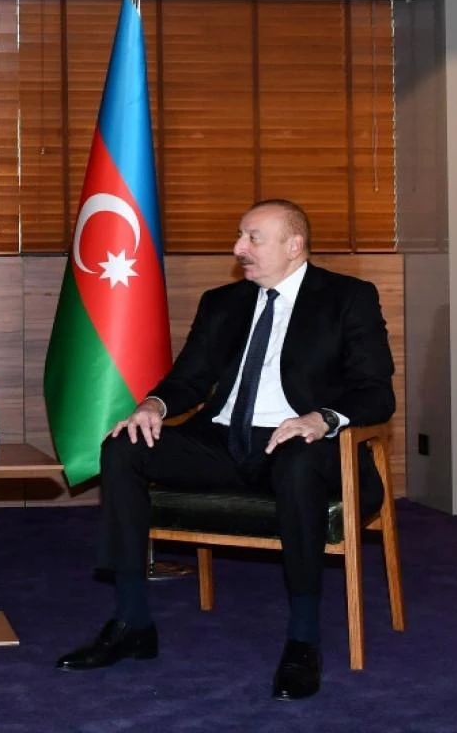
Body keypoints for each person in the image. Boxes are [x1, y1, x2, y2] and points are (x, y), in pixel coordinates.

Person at [55, 199, 394, 701]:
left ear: (294, 245)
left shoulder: (347, 298)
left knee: (297, 462)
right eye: (240, 236)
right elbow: (188, 380)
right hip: (223, 442)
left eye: (253, 238)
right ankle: (131, 622)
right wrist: (152, 405)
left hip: (301, 444)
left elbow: (376, 392)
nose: (239, 249)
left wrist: (320, 418)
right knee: (124, 445)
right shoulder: (222, 302)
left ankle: (303, 640)